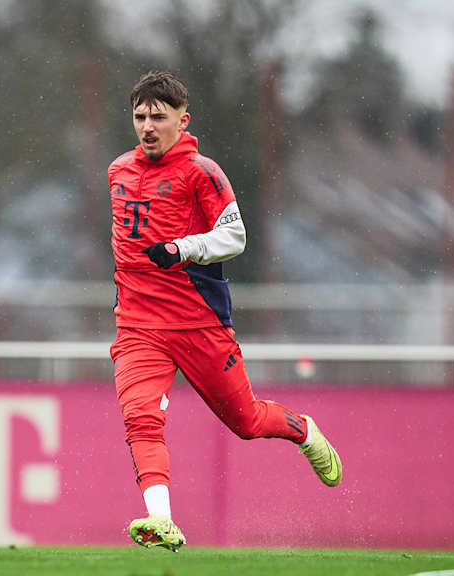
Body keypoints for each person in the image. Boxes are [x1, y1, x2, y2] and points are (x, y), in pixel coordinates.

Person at [108, 71, 342, 552]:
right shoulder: (117, 170)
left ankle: (302, 429)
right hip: (137, 326)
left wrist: (184, 248)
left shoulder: (203, 171)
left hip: (199, 324)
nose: (147, 126)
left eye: (158, 116)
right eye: (139, 117)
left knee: (247, 421)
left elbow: (234, 237)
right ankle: (161, 522)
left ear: (182, 120)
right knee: (140, 420)